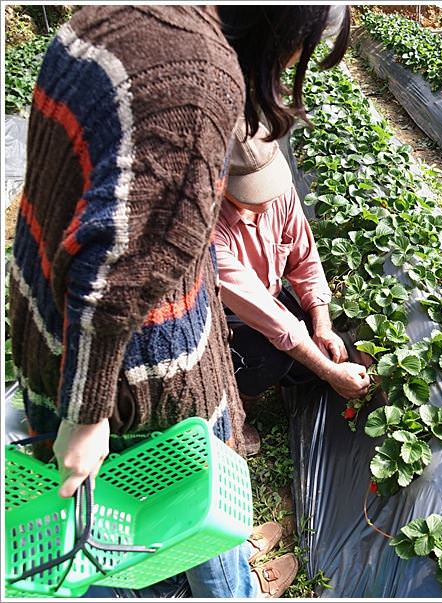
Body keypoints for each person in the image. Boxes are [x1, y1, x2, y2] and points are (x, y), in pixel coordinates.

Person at [8, 5, 349, 598]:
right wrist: (87, 415)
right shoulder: (199, 85)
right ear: (281, 29)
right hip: (140, 379)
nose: (294, 67)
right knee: (169, 503)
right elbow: (116, 274)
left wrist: (318, 314)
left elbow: (300, 256)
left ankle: (221, 568)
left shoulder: (125, 14)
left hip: (55, 331)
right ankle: (225, 583)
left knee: (141, 506)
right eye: (302, 51)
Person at [214, 118, 371, 424]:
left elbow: (305, 260)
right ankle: (236, 409)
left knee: (310, 356)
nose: (266, 199)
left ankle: (279, 371)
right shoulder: (210, 230)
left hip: (269, 293)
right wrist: (330, 373)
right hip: (226, 312)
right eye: (251, 192)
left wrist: (322, 327)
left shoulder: (280, 195)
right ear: (220, 183)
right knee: (267, 358)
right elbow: (268, 317)